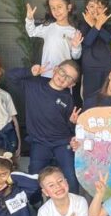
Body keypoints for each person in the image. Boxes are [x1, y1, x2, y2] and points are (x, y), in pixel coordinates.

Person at [7, 59, 81, 193]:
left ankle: (74, 204)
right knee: (34, 178)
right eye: (62, 72)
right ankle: (35, 202)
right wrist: (29, 71)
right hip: (40, 142)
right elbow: (10, 76)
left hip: (62, 142)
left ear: (72, 84)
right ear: (55, 69)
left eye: (69, 78)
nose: (63, 78)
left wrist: (72, 123)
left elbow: (69, 129)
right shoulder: (34, 84)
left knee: (71, 176)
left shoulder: (68, 99)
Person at [25, 0, 83, 78]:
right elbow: (31, 32)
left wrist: (76, 47)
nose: (56, 11)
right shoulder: (48, 27)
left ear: (69, 7)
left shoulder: (73, 32)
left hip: (63, 78)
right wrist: (29, 19)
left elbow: (76, 56)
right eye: (53, 8)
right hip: (46, 74)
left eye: (59, 7)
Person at [78, 0, 111, 99]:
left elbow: (109, 39)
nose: (95, 10)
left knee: (108, 98)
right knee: (90, 99)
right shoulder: (82, 26)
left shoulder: (109, 25)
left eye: (99, 7)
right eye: (91, 6)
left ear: (105, 9)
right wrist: (96, 25)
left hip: (107, 68)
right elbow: (87, 42)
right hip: (90, 69)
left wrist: (95, 24)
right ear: (86, 8)